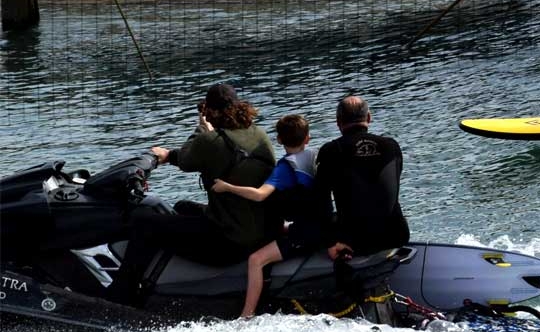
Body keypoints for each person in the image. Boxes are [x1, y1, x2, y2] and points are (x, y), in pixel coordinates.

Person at [108, 83, 279, 305]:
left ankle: (123, 293)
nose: (206, 113)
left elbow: (187, 157)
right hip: (257, 231)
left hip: (229, 243)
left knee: (144, 223)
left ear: (215, 112)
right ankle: (160, 280)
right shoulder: (258, 134)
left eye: (207, 110)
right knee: (182, 207)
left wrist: (197, 130)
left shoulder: (211, 140)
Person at [211, 114, 325, 318]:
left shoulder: (284, 168)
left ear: (279, 140)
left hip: (306, 235)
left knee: (256, 260)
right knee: (281, 230)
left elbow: (259, 195)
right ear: (307, 138)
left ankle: (247, 315)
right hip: (323, 225)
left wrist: (227, 187)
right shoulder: (316, 157)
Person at [314, 96, 409, 262]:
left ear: (338, 122)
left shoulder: (331, 150)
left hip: (355, 243)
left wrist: (330, 242)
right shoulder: (392, 146)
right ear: (369, 118)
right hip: (396, 235)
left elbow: (321, 201)